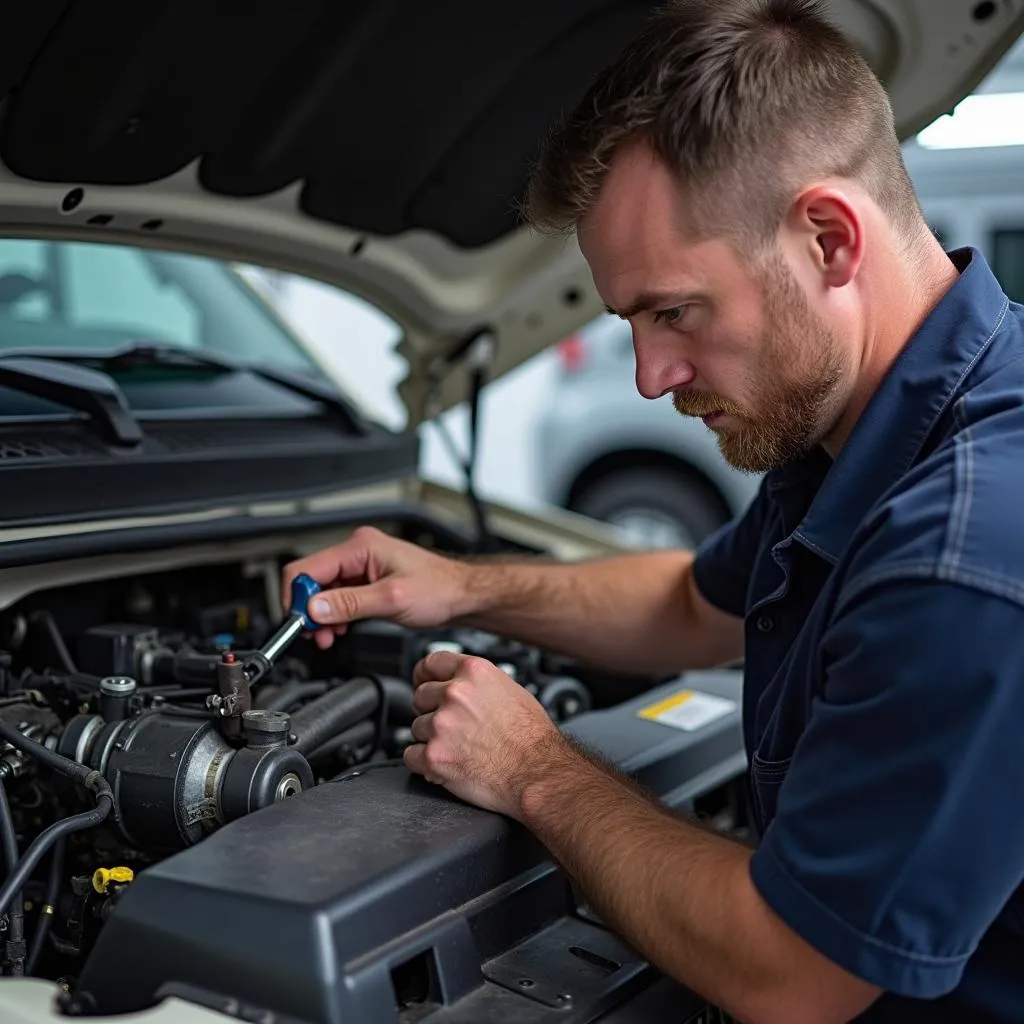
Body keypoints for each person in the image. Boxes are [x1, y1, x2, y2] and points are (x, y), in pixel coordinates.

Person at [283, 1, 1024, 1020]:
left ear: (828, 238)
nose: (648, 376)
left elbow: (790, 973)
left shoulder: (965, 552)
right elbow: (690, 601)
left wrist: (534, 768)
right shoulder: (883, 420)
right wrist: (458, 586)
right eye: (631, 321)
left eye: (673, 311)